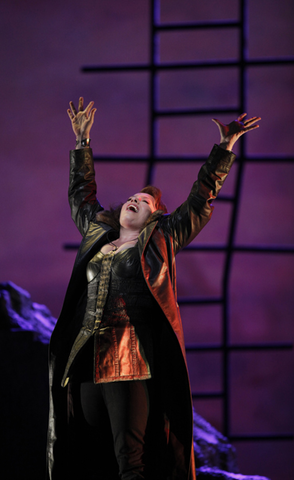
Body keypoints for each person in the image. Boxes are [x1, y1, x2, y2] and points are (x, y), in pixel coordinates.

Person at [46, 97, 260, 480]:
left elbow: (200, 201)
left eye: (143, 201)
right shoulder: (99, 234)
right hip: (83, 359)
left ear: (155, 215)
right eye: (131, 197)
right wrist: (82, 143)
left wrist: (224, 149)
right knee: (84, 452)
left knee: (131, 460)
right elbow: (81, 196)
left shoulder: (161, 240)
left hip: (129, 360)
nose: (133, 200)